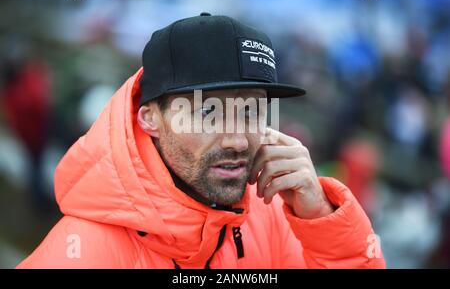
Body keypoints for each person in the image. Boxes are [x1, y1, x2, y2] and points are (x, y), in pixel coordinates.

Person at [17, 13, 385, 268]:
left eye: (251, 111)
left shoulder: (275, 215)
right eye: (208, 112)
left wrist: (323, 221)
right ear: (149, 118)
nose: (238, 140)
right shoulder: (79, 255)